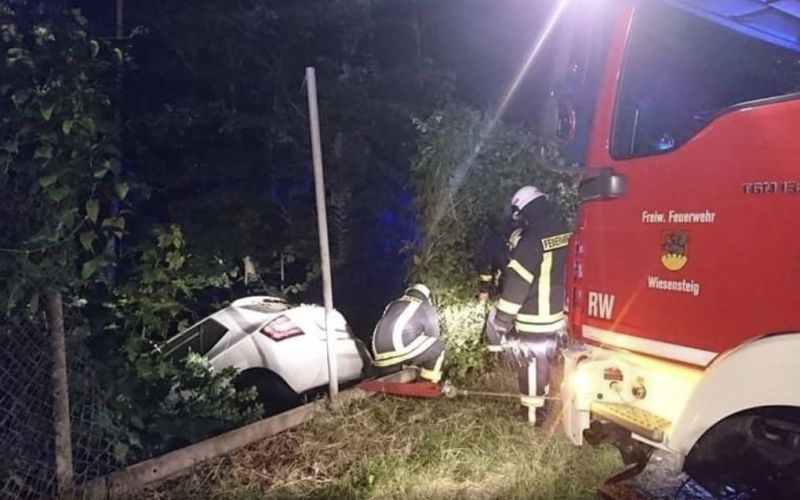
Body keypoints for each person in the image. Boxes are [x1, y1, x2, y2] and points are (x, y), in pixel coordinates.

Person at [488, 185, 571, 425]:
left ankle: (532, 417)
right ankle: (544, 402)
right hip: (557, 313)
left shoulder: (532, 240)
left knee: (531, 365)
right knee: (545, 361)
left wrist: (502, 319)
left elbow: (518, 282)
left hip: (535, 316)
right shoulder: (563, 230)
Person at [371, 283, 445, 383]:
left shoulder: (393, 303)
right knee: (438, 345)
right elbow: (434, 334)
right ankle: (428, 382)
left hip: (378, 352)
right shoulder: (424, 306)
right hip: (398, 347)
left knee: (412, 348)